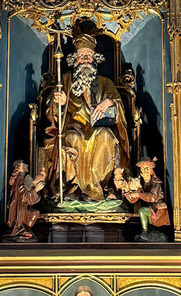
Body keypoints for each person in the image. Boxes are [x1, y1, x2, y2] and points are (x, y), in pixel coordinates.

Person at [43, 34, 129, 202]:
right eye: (82, 56)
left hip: (98, 129)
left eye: (88, 56)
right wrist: (60, 103)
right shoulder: (64, 80)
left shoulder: (105, 83)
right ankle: (74, 188)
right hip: (73, 127)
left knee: (106, 137)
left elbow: (121, 108)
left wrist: (110, 102)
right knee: (72, 139)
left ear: (94, 59)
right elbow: (50, 111)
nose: (85, 60)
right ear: (75, 59)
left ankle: (98, 188)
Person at [119, 157, 171, 241]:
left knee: (142, 211)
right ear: (141, 171)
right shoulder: (141, 183)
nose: (145, 170)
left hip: (158, 209)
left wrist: (138, 194)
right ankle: (146, 233)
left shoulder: (156, 183)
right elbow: (133, 200)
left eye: (147, 168)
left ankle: (145, 232)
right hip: (151, 208)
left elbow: (153, 197)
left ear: (151, 170)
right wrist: (127, 191)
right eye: (143, 168)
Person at [6, 159, 44, 240]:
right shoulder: (20, 179)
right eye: (24, 164)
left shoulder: (20, 178)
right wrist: (35, 190)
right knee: (35, 214)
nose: (27, 166)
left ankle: (23, 230)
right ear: (20, 168)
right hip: (19, 209)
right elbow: (24, 197)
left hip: (19, 207)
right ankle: (21, 230)